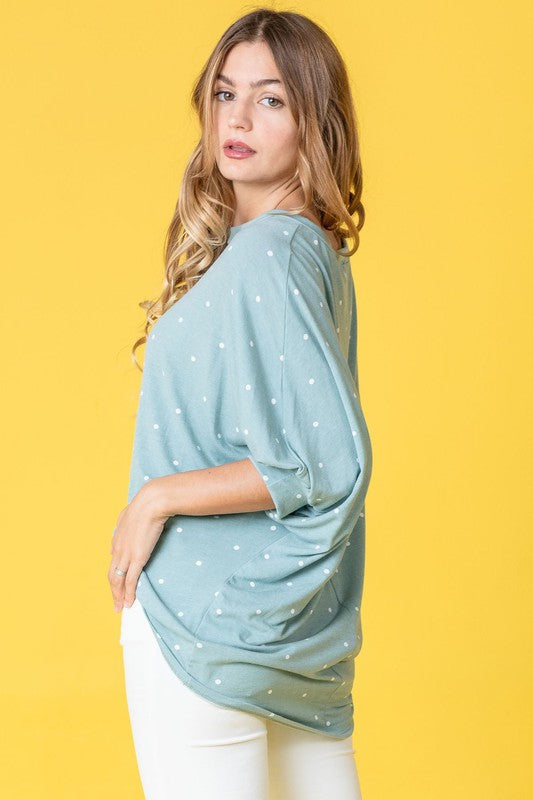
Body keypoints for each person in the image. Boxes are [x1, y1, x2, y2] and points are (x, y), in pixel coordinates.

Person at [109, 8, 373, 799]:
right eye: (225, 93)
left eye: (270, 99)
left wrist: (158, 497)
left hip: (202, 629)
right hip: (294, 642)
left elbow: (325, 463)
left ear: (312, 121)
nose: (236, 117)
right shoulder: (303, 248)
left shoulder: (271, 252)